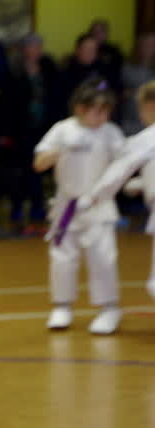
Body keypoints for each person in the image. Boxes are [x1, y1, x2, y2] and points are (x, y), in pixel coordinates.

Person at [33, 79, 125, 335]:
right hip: (67, 204)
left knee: (103, 257)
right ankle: (62, 306)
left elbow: (124, 163)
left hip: (98, 204)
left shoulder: (111, 132)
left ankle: (109, 308)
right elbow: (39, 163)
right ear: (80, 109)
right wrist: (60, 150)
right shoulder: (62, 130)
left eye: (107, 111)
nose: (102, 116)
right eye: (97, 110)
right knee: (63, 258)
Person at [82, 81, 155, 301]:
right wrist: (143, 185)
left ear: (150, 106)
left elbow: (120, 169)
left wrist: (94, 195)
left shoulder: (147, 137)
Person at [2, 33, 61, 230]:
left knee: (41, 168)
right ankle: (17, 207)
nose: (34, 50)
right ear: (24, 49)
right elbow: (8, 101)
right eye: (30, 46)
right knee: (20, 170)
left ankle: (38, 206)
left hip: (44, 127)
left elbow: (56, 96)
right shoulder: (14, 70)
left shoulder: (49, 68)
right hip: (21, 127)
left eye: (38, 46)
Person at [121, 33, 155, 136]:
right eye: (146, 45)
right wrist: (124, 92)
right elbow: (109, 87)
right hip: (131, 117)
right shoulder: (127, 66)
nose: (148, 49)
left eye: (152, 45)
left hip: (151, 117)